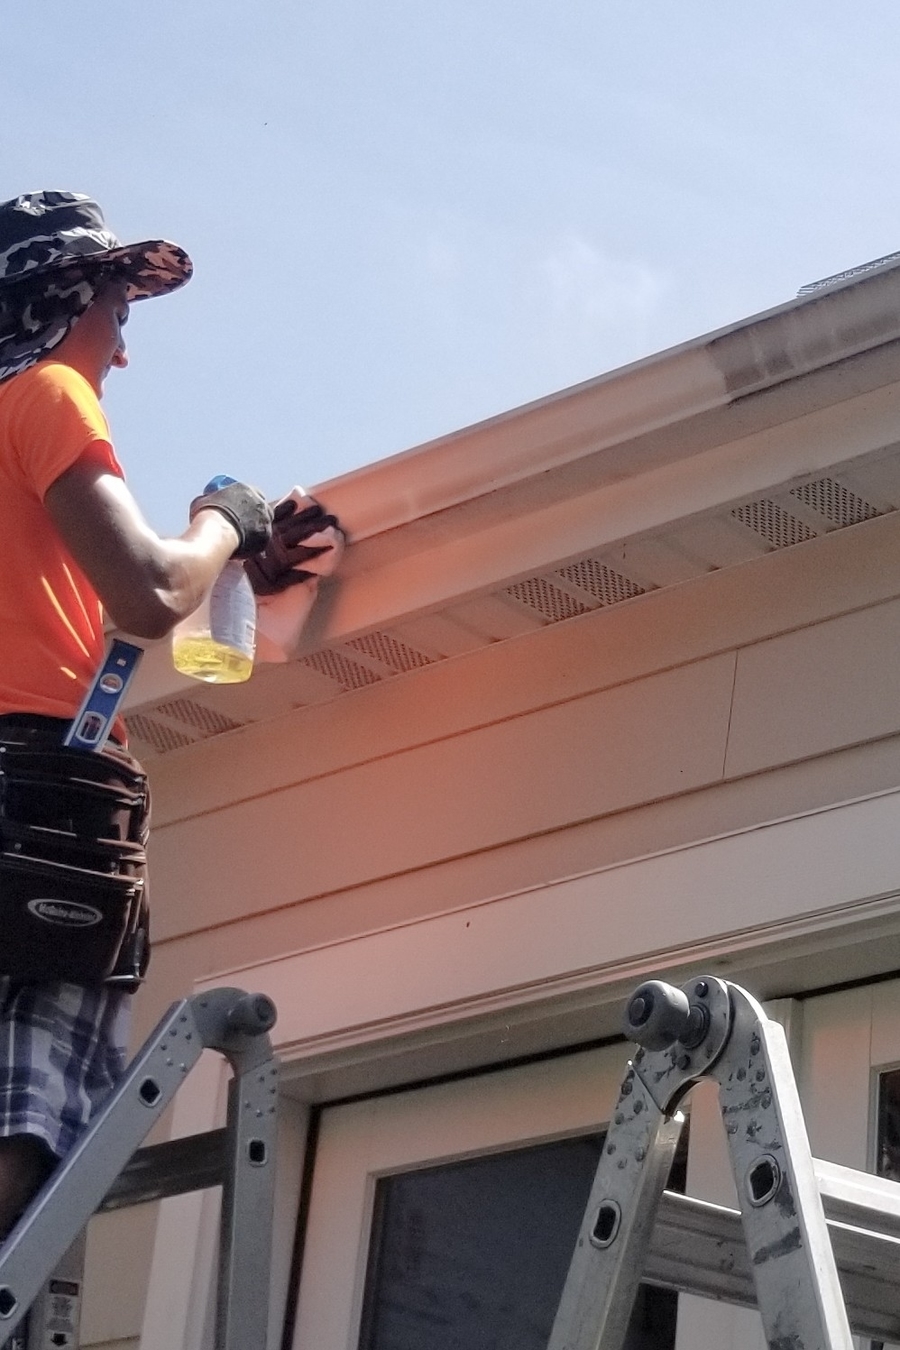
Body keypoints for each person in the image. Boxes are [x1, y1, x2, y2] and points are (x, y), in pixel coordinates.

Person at [0, 191, 339, 1238]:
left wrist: (227, 568)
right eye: (120, 313)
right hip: (37, 802)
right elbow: (146, 590)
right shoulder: (46, 392)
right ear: (64, 301)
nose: (124, 352)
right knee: (21, 1119)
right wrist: (217, 523)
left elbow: (65, 626)